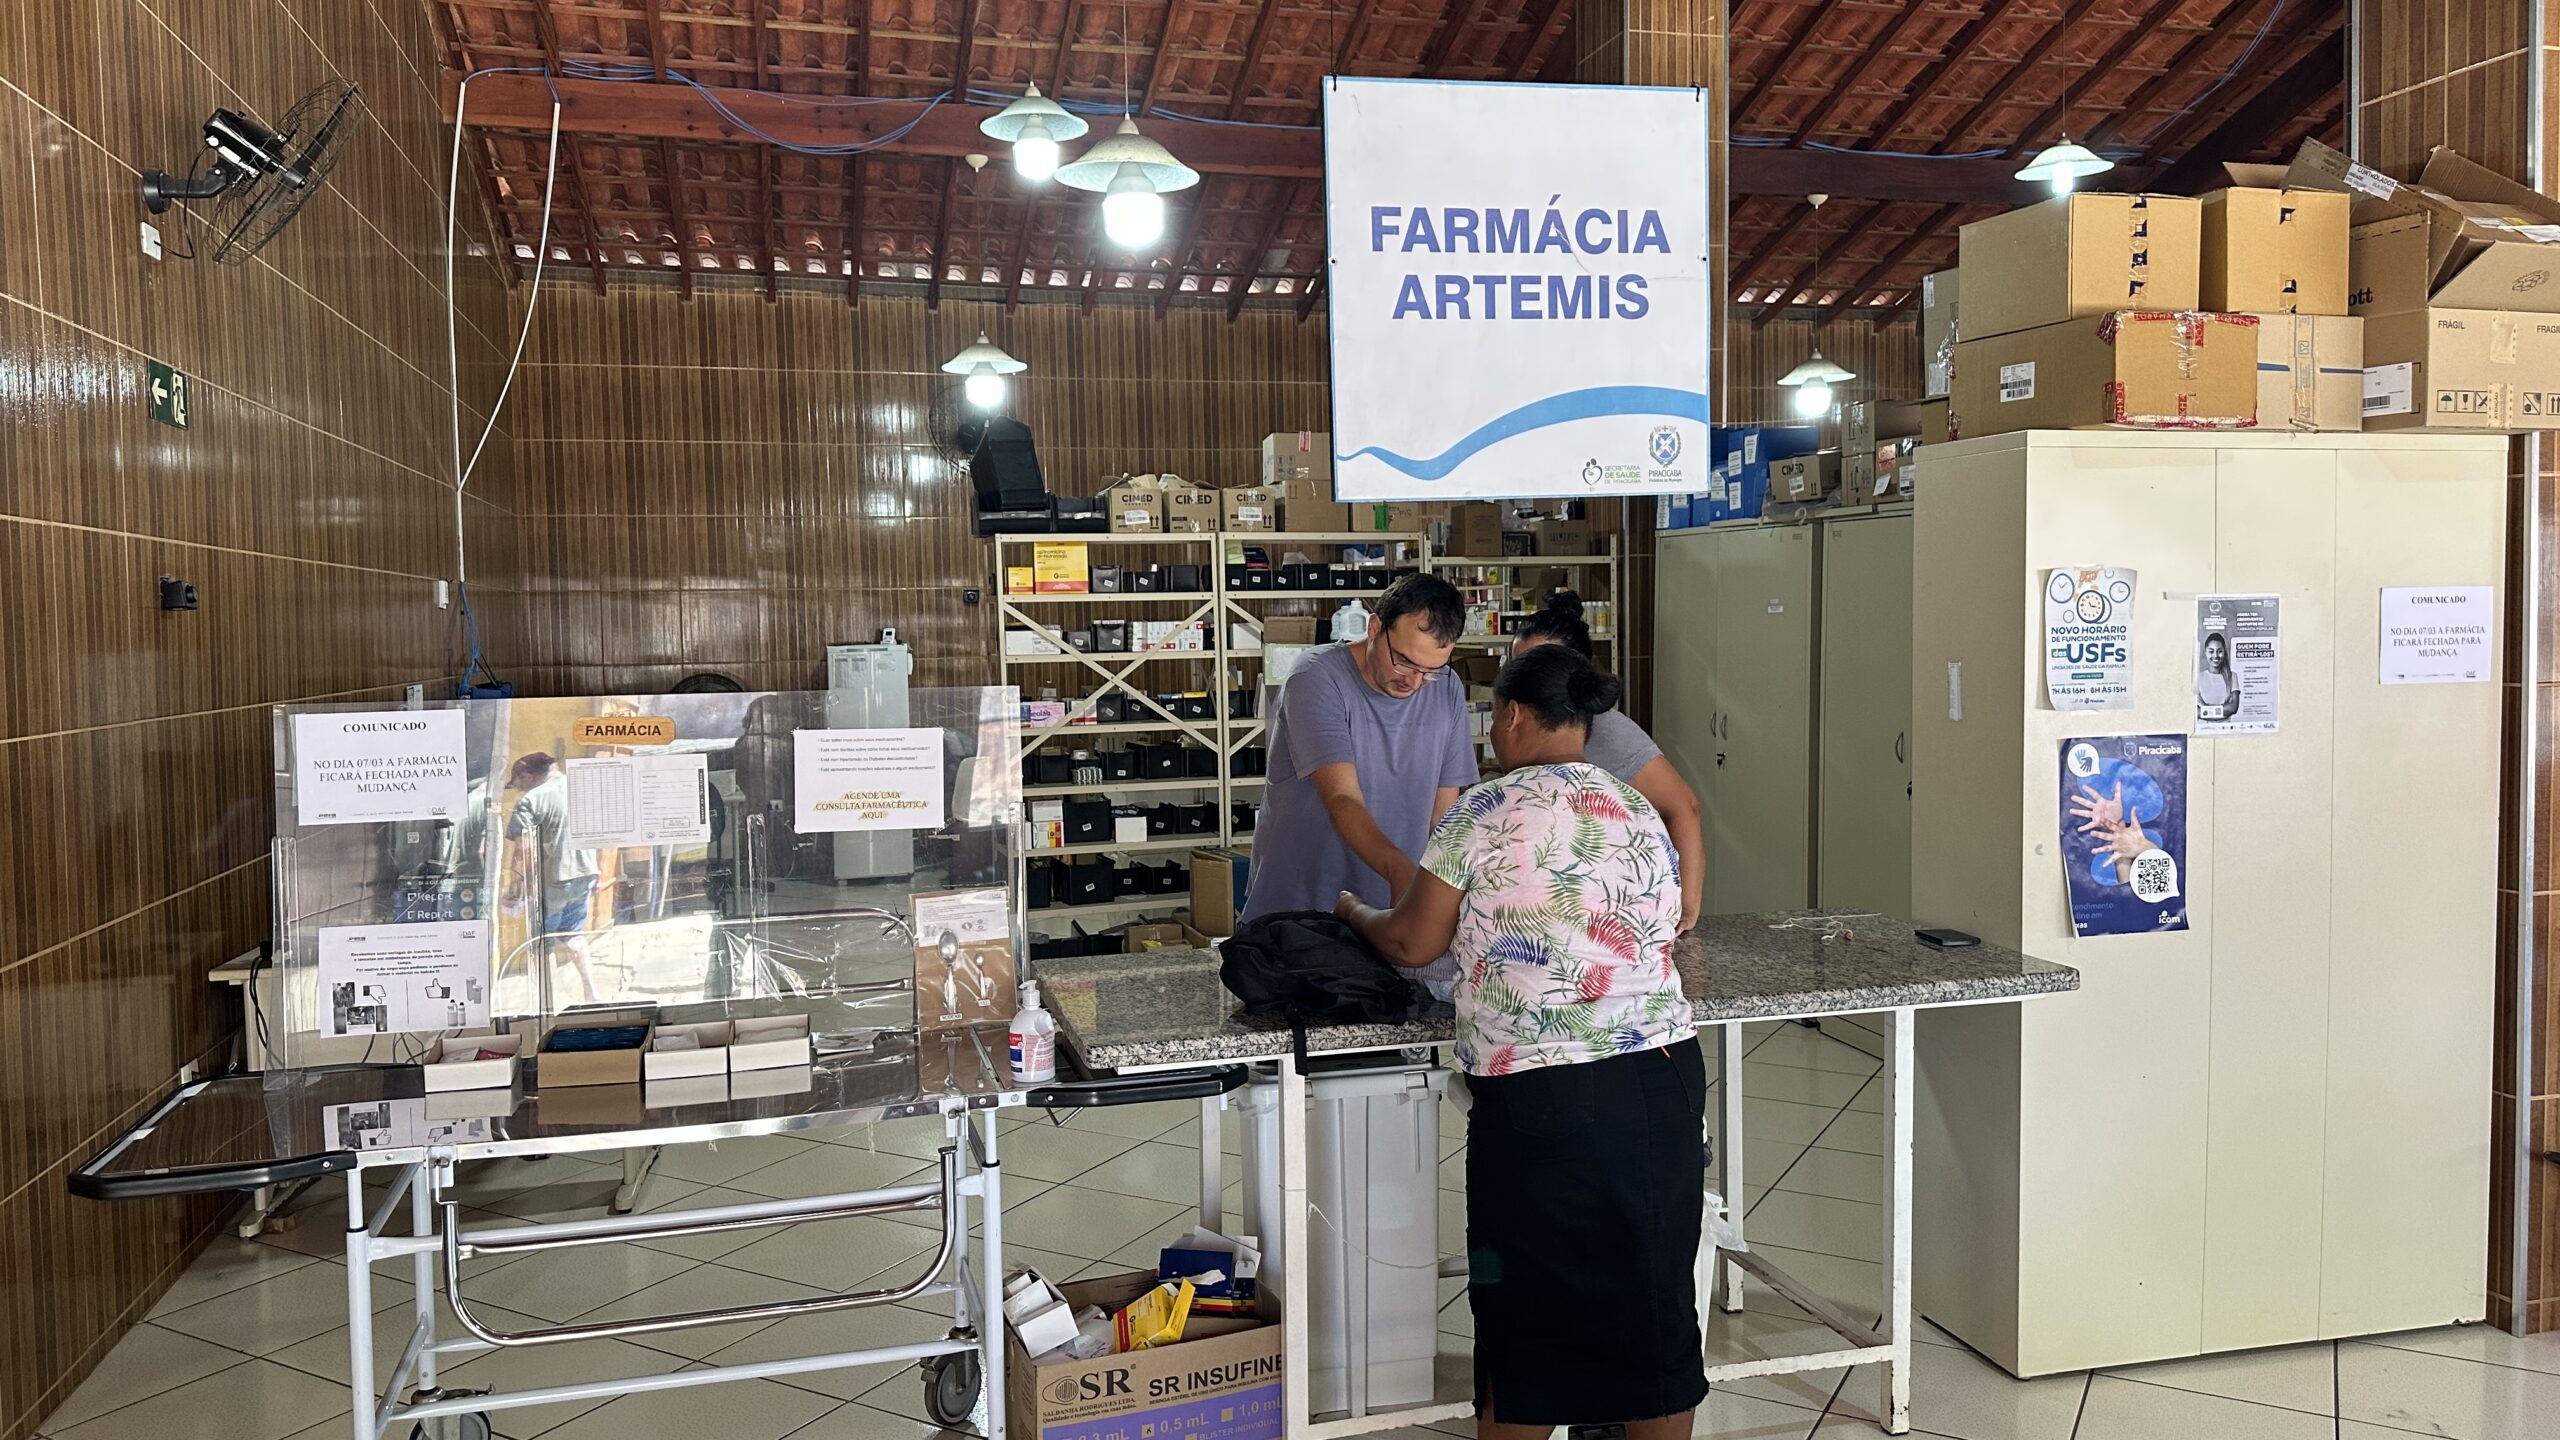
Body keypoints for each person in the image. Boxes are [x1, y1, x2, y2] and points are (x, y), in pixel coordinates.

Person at [1337, 644, 1704, 1440]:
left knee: (1524, 1312)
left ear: (1509, 716)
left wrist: (1355, 915)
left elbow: (1414, 944)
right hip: (1662, 1080)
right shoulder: (1635, 805)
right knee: (1653, 1305)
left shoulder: (1486, 811)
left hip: (1544, 1097)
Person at [1241, 572, 1478, 932]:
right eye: (1404, 661)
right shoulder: (1316, 677)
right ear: (1374, 627)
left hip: (1391, 912)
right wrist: (1401, 870)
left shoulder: (1445, 689)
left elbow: (1443, 815)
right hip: (1301, 912)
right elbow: (1342, 797)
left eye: (1430, 670)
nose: (1413, 681)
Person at [1512, 591, 1704, 931]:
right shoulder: (1521, 725)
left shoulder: (1607, 731)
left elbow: (1684, 806)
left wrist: (1685, 909)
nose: (1526, 679)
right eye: (1517, 666)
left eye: (1540, 666)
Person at [501, 752, 603, 1004]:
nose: (519, 790)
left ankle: (550, 1002)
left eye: (518, 784)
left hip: (554, 880)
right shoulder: (581, 789)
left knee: (542, 942)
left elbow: (524, 850)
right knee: (573, 935)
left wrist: (514, 888)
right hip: (585, 873)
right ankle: (592, 994)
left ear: (527, 776)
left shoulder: (532, 800)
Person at [2196, 631, 2240, 723]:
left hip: (2225, 730)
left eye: (2219, 651)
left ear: (2224, 652)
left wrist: (2204, 707)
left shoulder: (2232, 677)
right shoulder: (2198, 678)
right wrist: (2224, 711)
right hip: (2203, 731)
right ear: (2205, 652)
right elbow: (2196, 713)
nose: (2215, 656)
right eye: (2211, 651)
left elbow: (2233, 708)